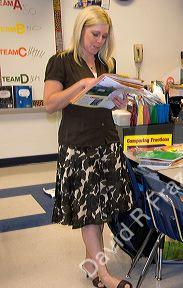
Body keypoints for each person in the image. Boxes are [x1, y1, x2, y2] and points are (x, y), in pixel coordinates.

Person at [43, 6, 133, 288]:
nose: (99, 41)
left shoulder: (106, 64)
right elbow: (50, 104)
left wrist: (118, 100)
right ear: (81, 29)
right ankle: (104, 276)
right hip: (78, 147)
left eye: (104, 36)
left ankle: (91, 264)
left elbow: (102, 101)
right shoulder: (60, 62)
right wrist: (79, 85)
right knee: (89, 213)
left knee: (101, 210)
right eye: (95, 34)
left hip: (106, 142)